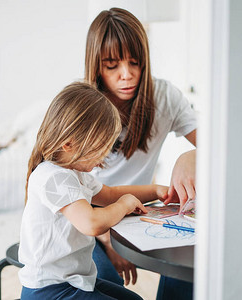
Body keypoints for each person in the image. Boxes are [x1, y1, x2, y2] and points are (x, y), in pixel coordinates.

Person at [18, 82, 172, 300]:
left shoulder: (74, 174)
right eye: (99, 147)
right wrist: (124, 205)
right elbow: (91, 223)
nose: (104, 155)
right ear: (69, 144)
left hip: (74, 281)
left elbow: (110, 193)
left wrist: (156, 191)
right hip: (49, 290)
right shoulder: (52, 177)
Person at [84, 7, 197, 299]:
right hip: (84, 218)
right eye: (112, 66)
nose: (127, 75)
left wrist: (190, 157)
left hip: (137, 209)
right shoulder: (83, 108)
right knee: (107, 284)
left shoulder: (164, 97)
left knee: (189, 266)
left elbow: (220, 145)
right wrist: (108, 240)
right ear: (97, 66)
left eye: (135, 62)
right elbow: (73, 193)